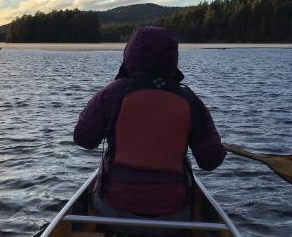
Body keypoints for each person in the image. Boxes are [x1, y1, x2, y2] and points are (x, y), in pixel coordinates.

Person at [73, 26, 226, 220]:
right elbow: (210, 160)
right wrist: (218, 149)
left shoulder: (112, 93)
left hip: (114, 209)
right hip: (174, 214)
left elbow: (83, 139)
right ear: (173, 58)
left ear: (130, 53)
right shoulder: (189, 100)